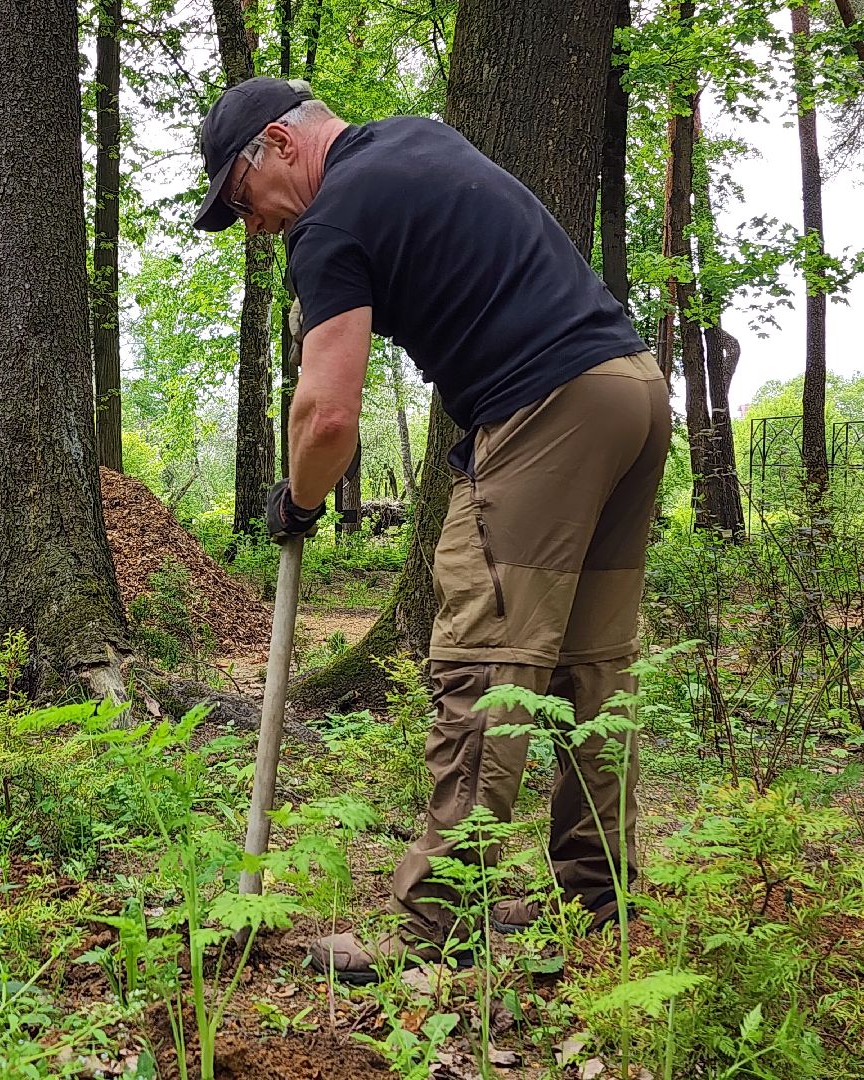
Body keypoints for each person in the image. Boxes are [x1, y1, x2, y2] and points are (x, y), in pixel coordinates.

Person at [193, 77, 670, 983]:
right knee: (592, 665)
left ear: (280, 148)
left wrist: (297, 503)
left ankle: (434, 930)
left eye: (240, 197)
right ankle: (599, 898)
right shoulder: (415, 139)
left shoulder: (327, 224)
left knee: (487, 664)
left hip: (550, 407)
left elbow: (327, 418)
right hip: (632, 390)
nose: (251, 225)